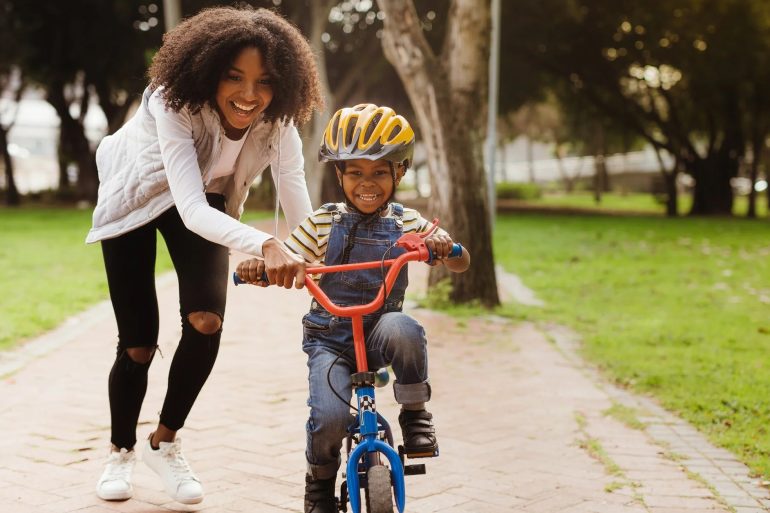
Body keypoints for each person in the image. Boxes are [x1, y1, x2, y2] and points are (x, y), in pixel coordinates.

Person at [86, 6, 323, 505]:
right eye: (234, 77)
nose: (249, 95)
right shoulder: (173, 103)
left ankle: (164, 443)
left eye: (264, 82)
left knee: (206, 319)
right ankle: (120, 450)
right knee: (137, 344)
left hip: (204, 198)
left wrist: (315, 253)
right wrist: (266, 243)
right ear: (208, 72)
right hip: (136, 197)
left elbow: (296, 195)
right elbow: (190, 209)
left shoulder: (279, 125)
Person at [236, 103, 471, 513]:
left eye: (380, 172)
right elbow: (290, 256)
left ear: (399, 173)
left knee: (405, 327)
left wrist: (444, 248)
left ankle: (414, 414)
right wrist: (266, 265)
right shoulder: (323, 222)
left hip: (380, 335)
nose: (368, 183)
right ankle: (319, 485)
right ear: (339, 175)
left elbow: (460, 260)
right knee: (328, 418)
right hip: (331, 340)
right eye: (356, 172)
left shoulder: (408, 223)